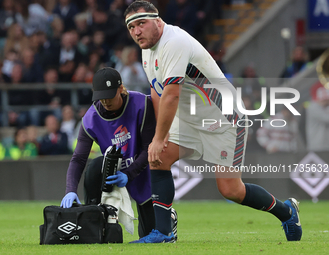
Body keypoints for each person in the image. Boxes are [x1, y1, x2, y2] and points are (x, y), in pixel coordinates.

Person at [124, 0, 302, 243]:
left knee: (231, 190)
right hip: (190, 119)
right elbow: (158, 91)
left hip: (225, 117)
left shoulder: (174, 42)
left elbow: (172, 94)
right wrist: (160, 134)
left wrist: (157, 138)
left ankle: (287, 212)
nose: (136, 32)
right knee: (159, 157)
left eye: (141, 23)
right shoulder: (148, 49)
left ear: (157, 20)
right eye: (131, 27)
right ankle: (163, 233)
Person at [60, 67, 176, 239]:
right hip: (112, 171)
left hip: (141, 167)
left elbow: (148, 148)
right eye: (101, 97)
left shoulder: (141, 105)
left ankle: (169, 217)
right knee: (95, 166)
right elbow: (78, 159)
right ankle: (95, 216)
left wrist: (129, 174)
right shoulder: (90, 118)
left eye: (109, 96)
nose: (105, 102)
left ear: (121, 89)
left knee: (150, 234)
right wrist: (70, 189)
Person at [306, 85, 329, 151]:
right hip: (317, 145)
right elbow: (327, 118)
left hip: (325, 145)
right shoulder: (313, 107)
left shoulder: (324, 108)